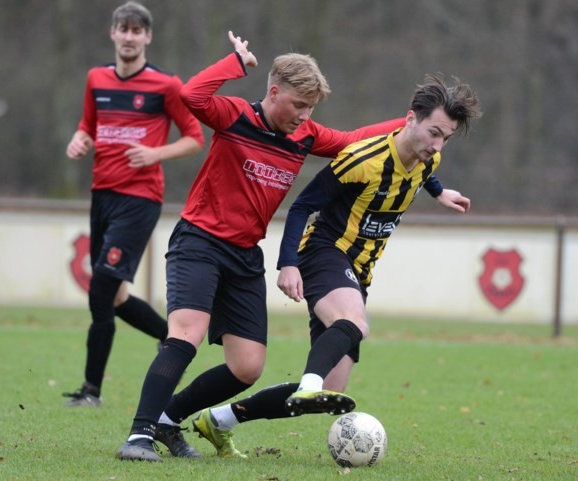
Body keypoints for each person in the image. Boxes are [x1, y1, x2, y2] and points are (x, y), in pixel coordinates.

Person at [115, 30, 460, 462]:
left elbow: (358, 140)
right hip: (199, 240)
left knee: (247, 368)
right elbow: (191, 95)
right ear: (273, 92)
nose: (303, 115)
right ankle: (139, 435)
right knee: (186, 333)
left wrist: (414, 130)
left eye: (311, 108)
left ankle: (168, 421)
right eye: (298, 105)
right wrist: (234, 64)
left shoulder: (307, 135)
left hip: (244, 256)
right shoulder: (235, 116)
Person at [191, 73, 482, 458]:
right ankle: (310, 381)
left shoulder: (429, 160)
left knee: (333, 390)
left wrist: (440, 191)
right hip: (325, 252)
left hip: (358, 270)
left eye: (445, 137)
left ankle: (221, 420)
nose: (437, 144)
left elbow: (424, 171)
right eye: (433, 132)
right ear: (410, 118)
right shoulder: (362, 159)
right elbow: (301, 207)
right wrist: (288, 263)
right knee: (355, 325)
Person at [62, 1, 204, 408]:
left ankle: (91, 391)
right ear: (112, 33)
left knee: (102, 287)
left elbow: (195, 138)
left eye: (136, 31)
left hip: (139, 199)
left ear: (147, 37)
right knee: (117, 296)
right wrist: (80, 139)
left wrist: (155, 153)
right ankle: (171, 338)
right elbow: (88, 125)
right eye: (122, 29)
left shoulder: (166, 85)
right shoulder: (96, 78)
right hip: (101, 194)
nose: (128, 36)